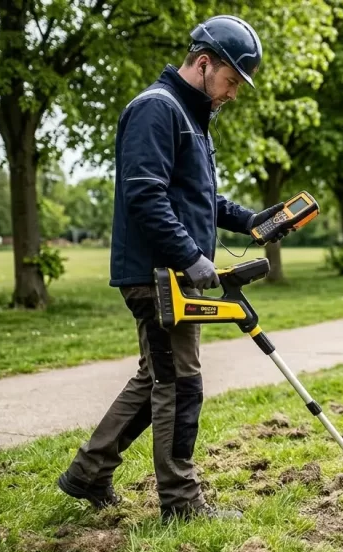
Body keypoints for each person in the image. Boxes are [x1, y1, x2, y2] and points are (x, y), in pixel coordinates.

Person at [56, 15, 285, 522]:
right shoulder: (157, 110)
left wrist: (251, 221)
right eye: (231, 81)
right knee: (181, 383)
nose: (232, 94)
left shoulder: (191, 117)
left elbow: (199, 197)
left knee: (157, 376)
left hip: (170, 272)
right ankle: (181, 502)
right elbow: (145, 194)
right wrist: (188, 257)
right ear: (204, 63)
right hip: (157, 275)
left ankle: (88, 471)